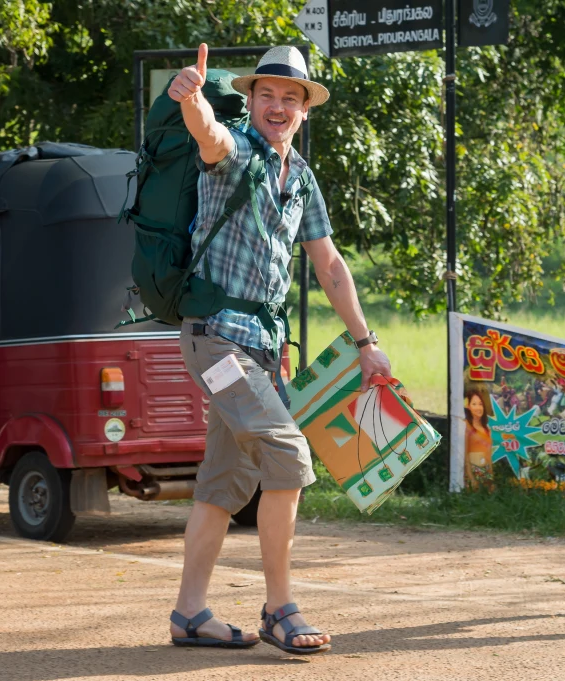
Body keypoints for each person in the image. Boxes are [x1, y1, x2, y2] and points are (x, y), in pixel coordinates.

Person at [166, 44, 393, 654]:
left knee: (224, 480)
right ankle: (279, 609)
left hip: (260, 348)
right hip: (216, 341)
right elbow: (209, 136)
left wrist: (366, 342)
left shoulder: (303, 179)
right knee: (289, 455)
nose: (277, 105)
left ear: (304, 110)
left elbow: (330, 265)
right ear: (250, 99)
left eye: (290, 97)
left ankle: (189, 614)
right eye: (266, 93)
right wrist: (192, 99)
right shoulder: (237, 153)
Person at [464, 387, 494, 489]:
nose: (478, 407)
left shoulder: (487, 429)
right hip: (472, 473)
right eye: (474, 404)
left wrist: (491, 479)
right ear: (468, 406)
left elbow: (489, 456)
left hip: (485, 474)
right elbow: (465, 455)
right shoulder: (466, 426)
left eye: (480, 404)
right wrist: (471, 478)